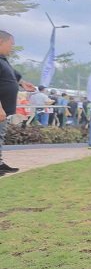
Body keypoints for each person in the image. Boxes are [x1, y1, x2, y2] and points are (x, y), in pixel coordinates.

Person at [0, 31, 36, 176]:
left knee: (0, 135)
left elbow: (12, 75)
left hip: (4, 109)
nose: (12, 47)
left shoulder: (3, 60)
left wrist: (23, 83)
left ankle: (0, 164)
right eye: (11, 44)